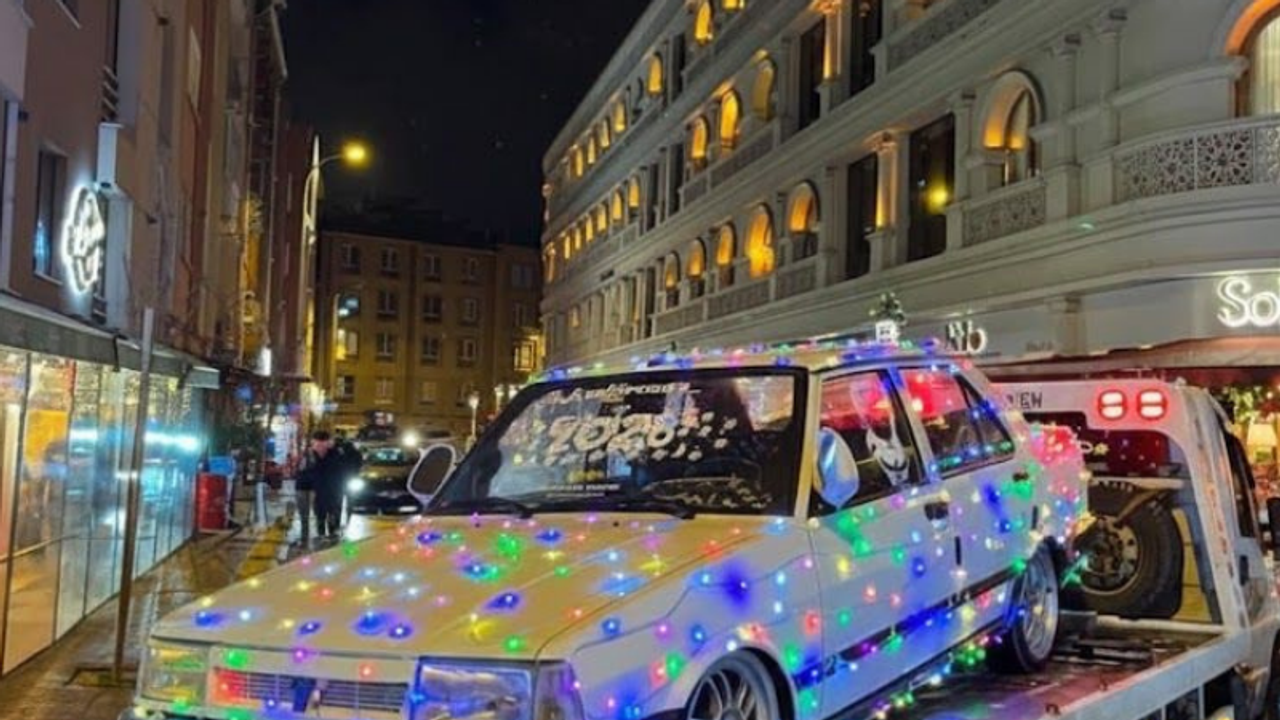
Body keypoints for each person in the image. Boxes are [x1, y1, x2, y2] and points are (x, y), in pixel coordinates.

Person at [297, 431, 347, 543]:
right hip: (316, 490)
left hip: (333, 489)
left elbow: (342, 471)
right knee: (319, 513)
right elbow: (302, 472)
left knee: (332, 512)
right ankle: (320, 534)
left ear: (328, 443)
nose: (320, 448)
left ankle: (333, 533)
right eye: (317, 444)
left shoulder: (336, 454)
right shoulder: (309, 455)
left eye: (322, 444)